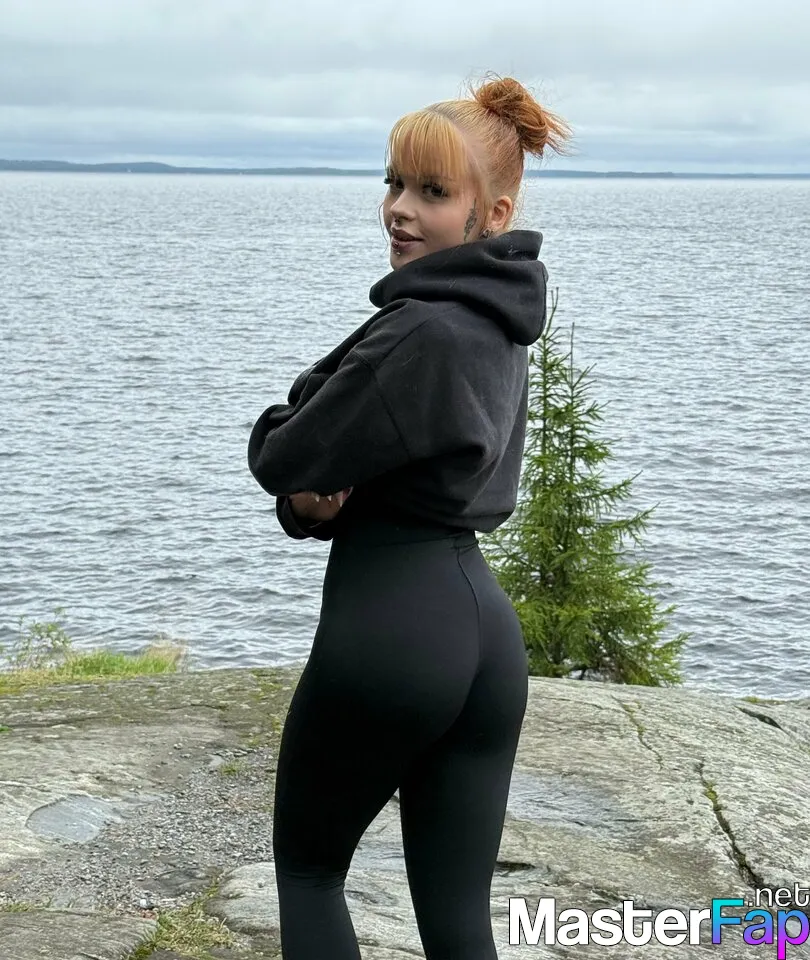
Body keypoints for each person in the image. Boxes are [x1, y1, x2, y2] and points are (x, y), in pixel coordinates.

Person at [247, 72, 574, 959]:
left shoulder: (421, 329)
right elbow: (392, 470)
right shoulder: (498, 321)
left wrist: (298, 467)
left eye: (432, 192)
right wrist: (315, 501)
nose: (399, 209)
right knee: (458, 919)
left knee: (310, 874)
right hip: (483, 638)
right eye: (394, 182)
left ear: (491, 214)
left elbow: (285, 452)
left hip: (393, 629)